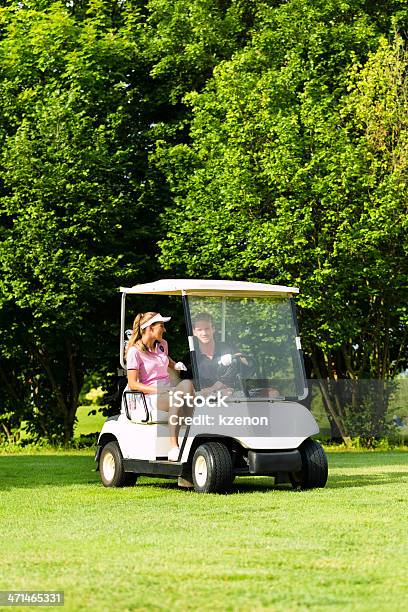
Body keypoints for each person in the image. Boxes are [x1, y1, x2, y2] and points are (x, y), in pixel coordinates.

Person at [125, 311, 193, 461]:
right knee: (177, 396)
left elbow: (164, 359)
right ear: (149, 328)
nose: (164, 329)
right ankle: (174, 447)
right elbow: (133, 384)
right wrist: (159, 389)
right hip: (149, 396)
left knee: (188, 385)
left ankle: (191, 435)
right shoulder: (134, 352)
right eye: (161, 326)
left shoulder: (162, 345)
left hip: (166, 391)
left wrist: (176, 365)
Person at [183, 312, 250, 395]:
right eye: (199, 330)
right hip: (204, 402)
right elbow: (187, 384)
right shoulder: (190, 357)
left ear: (213, 329)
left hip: (231, 400)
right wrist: (210, 390)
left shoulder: (227, 348)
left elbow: (247, 363)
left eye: (207, 328)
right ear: (194, 332)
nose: (204, 333)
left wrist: (233, 357)